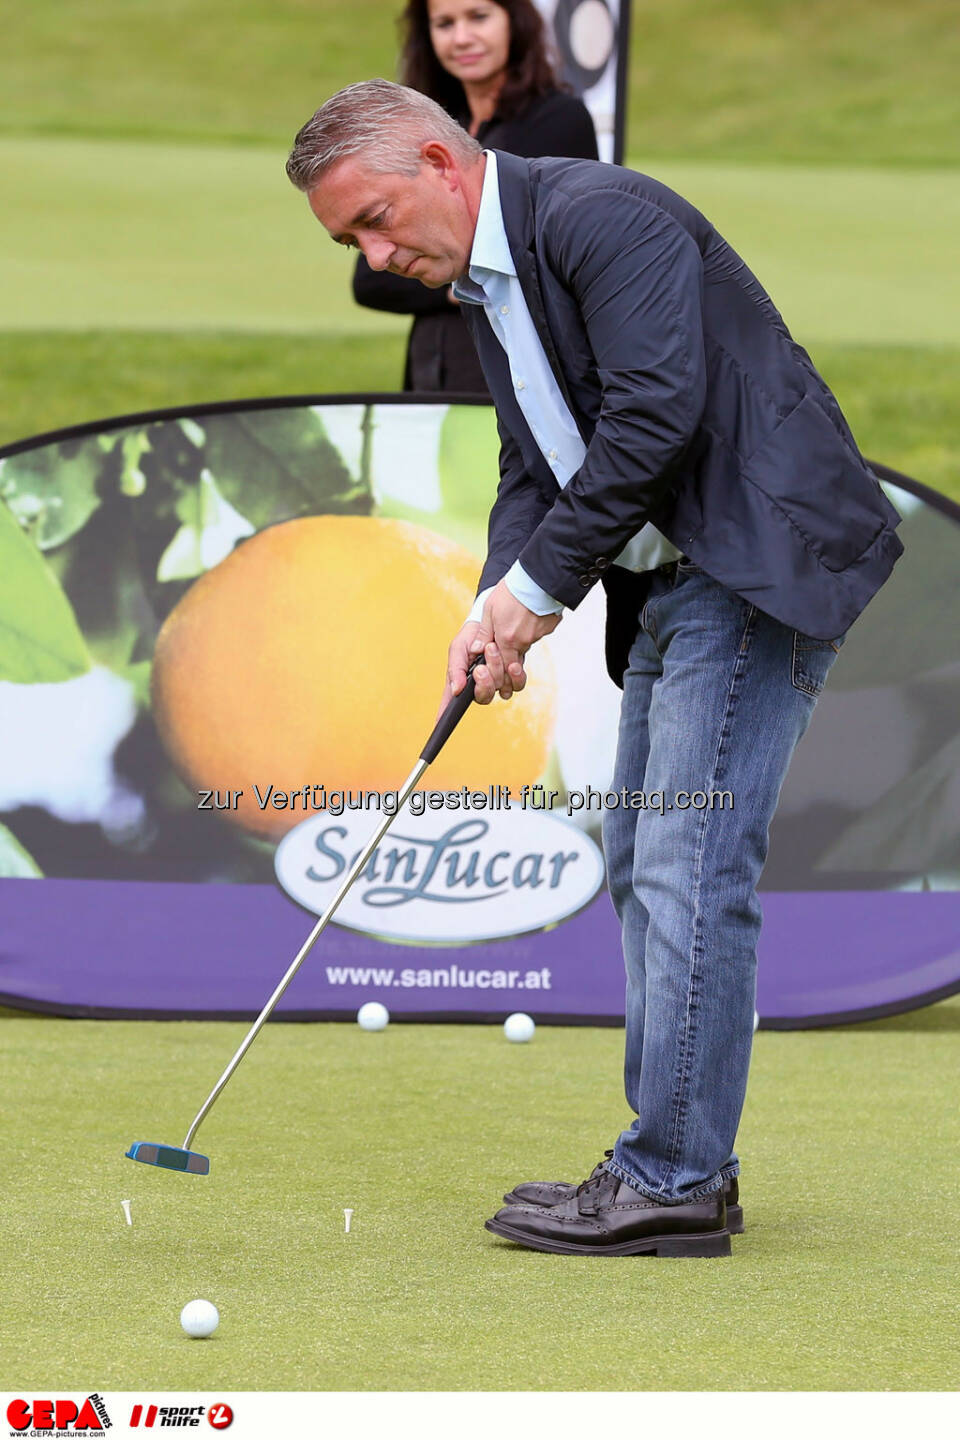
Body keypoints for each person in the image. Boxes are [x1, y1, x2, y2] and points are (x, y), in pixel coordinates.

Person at [286, 80, 904, 1257]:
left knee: (688, 862)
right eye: (346, 241)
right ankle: (681, 1166)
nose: (372, 256)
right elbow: (536, 464)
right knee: (646, 857)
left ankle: (669, 1175)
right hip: (675, 578)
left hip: (755, 566)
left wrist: (537, 596)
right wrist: (493, 604)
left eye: (372, 219)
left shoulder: (600, 215)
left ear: (438, 159)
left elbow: (653, 417)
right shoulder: (485, 283)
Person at [352, 0, 597, 393]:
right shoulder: (428, 130)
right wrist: (461, 273)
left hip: (512, 380)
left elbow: (535, 265)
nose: (462, 38)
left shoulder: (558, 120)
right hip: (429, 371)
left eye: (479, 17)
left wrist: (438, 270)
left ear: (514, 23)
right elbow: (372, 281)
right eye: (445, 23)